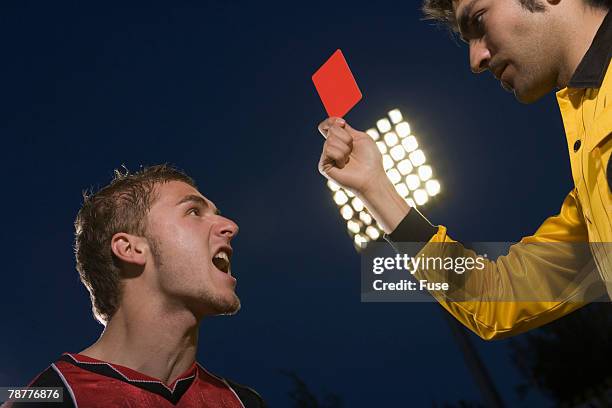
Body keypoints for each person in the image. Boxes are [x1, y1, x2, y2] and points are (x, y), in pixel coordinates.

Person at [317, 0, 611, 340]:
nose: (475, 60)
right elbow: (496, 298)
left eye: (479, 20)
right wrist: (374, 188)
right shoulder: (591, 166)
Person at [8, 165, 266, 407]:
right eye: (194, 212)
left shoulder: (243, 401)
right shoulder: (44, 398)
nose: (231, 226)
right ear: (130, 248)